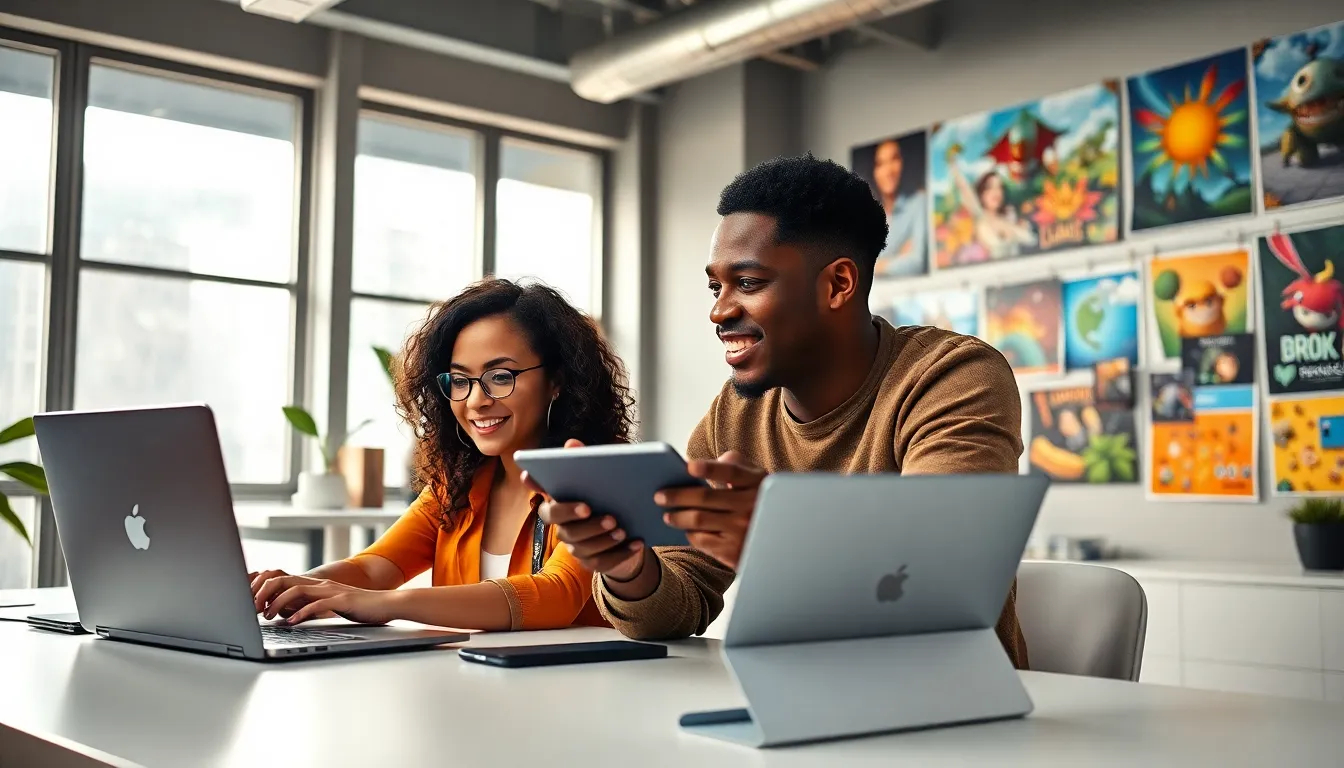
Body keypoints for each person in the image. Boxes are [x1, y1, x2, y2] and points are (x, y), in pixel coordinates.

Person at [538, 153, 1030, 669]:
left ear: (838, 284)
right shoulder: (734, 417)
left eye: (748, 283)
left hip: (951, 708)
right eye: (715, 286)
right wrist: (629, 568)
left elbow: (940, 574)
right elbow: (677, 606)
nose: (719, 311)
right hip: (802, 700)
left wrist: (784, 537)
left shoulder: (951, 377)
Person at [251, 279, 634, 630]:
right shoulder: (458, 486)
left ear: (557, 382)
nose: (476, 401)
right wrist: (295, 586)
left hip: (575, 690)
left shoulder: (596, 479)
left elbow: (556, 596)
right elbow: (374, 568)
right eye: (461, 380)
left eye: (500, 376)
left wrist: (391, 604)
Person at [869, 138, 927, 278]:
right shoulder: (869, 217)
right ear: (874, 171)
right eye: (880, 164)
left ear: (904, 163)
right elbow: (858, 267)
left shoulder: (918, 203)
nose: (888, 170)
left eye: (894, 159)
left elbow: (916, 262)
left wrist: (876, 265)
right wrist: (898, 257)